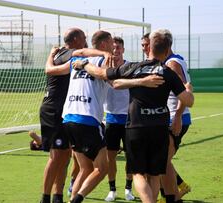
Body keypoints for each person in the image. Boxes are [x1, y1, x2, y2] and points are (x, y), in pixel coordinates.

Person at [72, 29, 194, 203]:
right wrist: (189, 90)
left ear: (149, 47)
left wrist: (84, 65)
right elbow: (188, 101)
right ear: (166, 50)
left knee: (138, 174)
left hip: (136, 127)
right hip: (159, 128)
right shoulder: (167, 72)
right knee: (154, 174)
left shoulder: (134, 67)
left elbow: (106, 76)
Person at [40, 28, 113, 203]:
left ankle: (58, 196)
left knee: (77, 162)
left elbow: (52, 67)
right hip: (71, 115)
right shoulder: (87, 57)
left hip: (67, 116)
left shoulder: (71, 57)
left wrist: (51, 56)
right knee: (98, 167)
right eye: (111, 43)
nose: (85, 40)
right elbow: (107, 77)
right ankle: (56, 198)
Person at [159, 31, 193, 203]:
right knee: (162, 161)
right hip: (171, 117)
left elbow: (185, 91)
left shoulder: (172, 63)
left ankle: (172, 197)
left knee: (161, 161)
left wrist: (178, 116)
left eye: (147, 45)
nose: (145, 48)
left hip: (175, 118)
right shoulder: (172, 60)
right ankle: (172, 195)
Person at [103, 36, 135, 202]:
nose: (115, 51)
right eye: (113, 48)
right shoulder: (103, 67)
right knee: (111, 157)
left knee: (131, 156)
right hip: (111, 118)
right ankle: (112, 190)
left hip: (129, 118)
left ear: (123, 49)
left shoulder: (129, 67)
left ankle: (128, 189)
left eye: (118, 48)